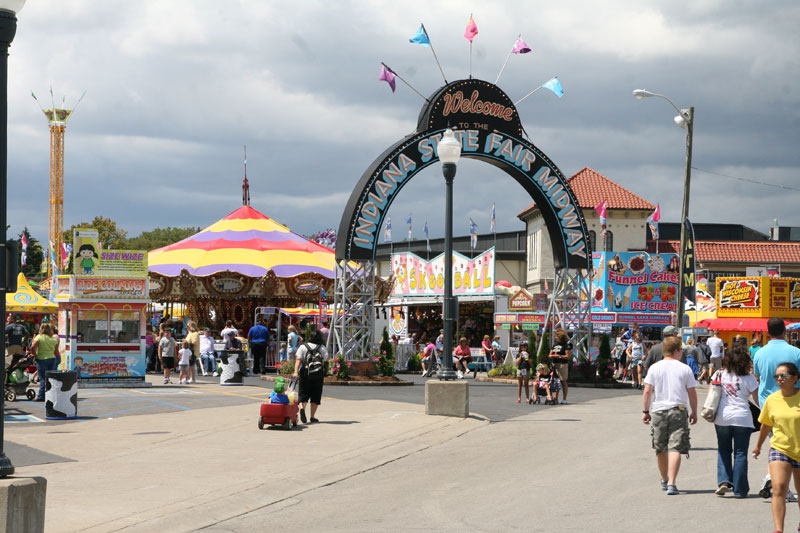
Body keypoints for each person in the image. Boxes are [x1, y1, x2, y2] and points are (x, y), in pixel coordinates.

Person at [642, 336, 698, 495]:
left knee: (660, 447)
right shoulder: (684, 369)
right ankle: (673, 483)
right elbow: (692, 393)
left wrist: (645, 411)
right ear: (676, 351)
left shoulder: (654, 368)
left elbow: (647, 391)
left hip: (659, 411)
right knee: (675, 447)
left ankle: (664, 479)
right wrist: (694, 411)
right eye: (681, 350)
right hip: (678, 410)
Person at [753, 317, 800, 499]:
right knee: (787, 445)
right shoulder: (795, 352)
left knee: (777, 444)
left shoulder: (760, 353)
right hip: (791, 404)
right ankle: (778, 483)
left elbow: (757, 375)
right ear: (784, 332)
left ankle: (772, 477)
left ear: (767, 332)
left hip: (768, 404)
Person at [753, 362, 800, 533]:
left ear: (794, 378)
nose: (779, 379)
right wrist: (758, 445)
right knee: (779, 487)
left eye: (783, 376)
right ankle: (778, 530)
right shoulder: (772, 400)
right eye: (777, 376)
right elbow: (766, 424)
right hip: (780, 448)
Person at [713, 344, 759, 498]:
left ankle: (724, 482)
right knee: (740, 454)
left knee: (723, 450)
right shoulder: (749, 378)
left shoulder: (719, 374)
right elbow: (757, 399)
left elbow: (712, 396)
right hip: (743, 418)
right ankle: (740, 490)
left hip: (722, 417)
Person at [292, 327, 328, 424]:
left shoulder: (303, 347)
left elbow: (298, 360)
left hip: (305, 372)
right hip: (318, 373)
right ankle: (312, 417)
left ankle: (301, 408)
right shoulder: (322, 347)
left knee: (303, 393)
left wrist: (295, 371)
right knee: (315, 395)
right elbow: (325, 359)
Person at [30, 323, 60, 401]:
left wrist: (34, 355)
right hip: (52, 359)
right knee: (51, 378)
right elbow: (56, 352)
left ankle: (41, 396)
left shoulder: (39, 337)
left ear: (41, 329)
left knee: (43, 378)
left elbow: (33, 347)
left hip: (41, 359)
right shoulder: (53, 339)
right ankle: (51, 396)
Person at [550, 328, 572, 404]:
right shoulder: (555, 345)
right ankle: (555, 398)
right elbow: (550, 354)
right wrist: (552, 356)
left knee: (563, 381)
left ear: (561, 336)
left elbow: (568, 356)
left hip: (562, 364)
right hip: (554, 364)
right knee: (555, 381)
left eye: (556, 336)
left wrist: (559, 356)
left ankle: (564, 398)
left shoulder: (566, 345)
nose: (555, 337)